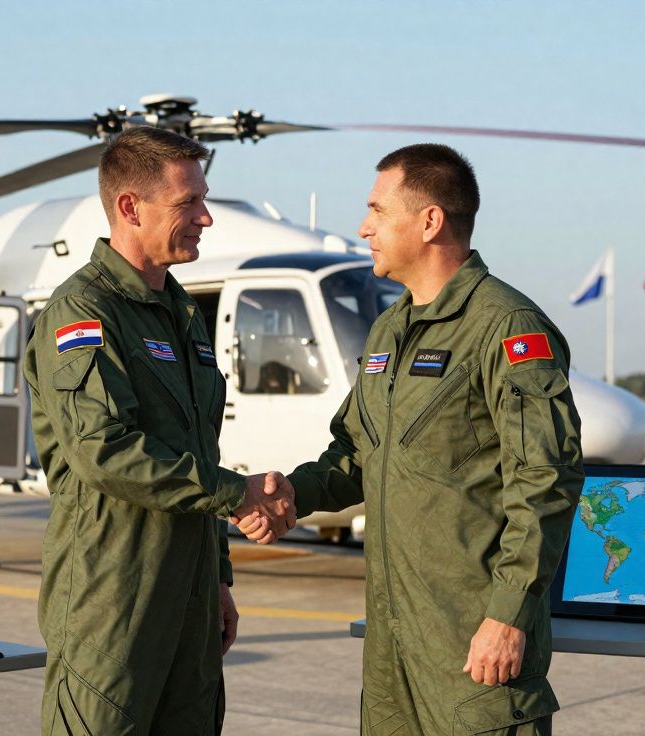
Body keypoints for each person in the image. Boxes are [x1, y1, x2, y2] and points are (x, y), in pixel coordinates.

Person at [239, 143, 584, 735]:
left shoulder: (507, 327)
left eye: (377, 210)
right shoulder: (389, 329)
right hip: (394, 647)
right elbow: (355, 452)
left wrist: (509, 616)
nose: (363, 226)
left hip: (473, 644)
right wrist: (289, 494)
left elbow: (545, 480)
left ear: (430, 221)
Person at [23, 126, 295, 735]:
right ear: (129, 207)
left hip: (189, 599)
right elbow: (105, 451)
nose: (205, 218)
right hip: (113, 600)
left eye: (203, 201)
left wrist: (218, 579)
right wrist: (237, 494)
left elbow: (199, 449)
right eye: (188, 204)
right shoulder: (84, 312)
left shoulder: (180, 313)